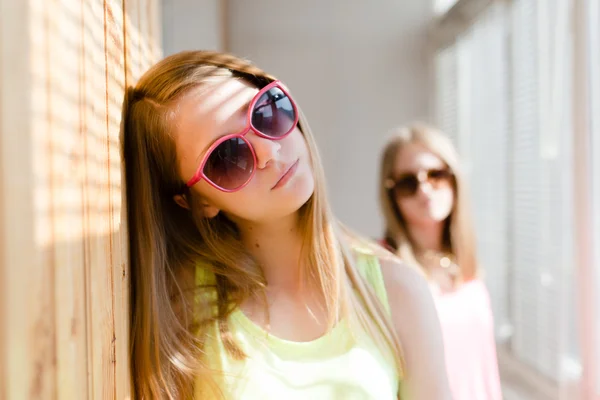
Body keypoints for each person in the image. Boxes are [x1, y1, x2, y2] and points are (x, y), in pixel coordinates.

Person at [122, 50, 451, 399]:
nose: (268, 152)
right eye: (227, 157)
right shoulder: (185, 310)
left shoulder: (399, 291)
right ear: (197, 201)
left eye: (265, 112)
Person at [379, 123, 503, 400]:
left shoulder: (465, 263)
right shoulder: (382, 268)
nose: (424, 191)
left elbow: (483, 369)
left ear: (454, 179)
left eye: (436, 175)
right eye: (409, 182)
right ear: (391, 193)